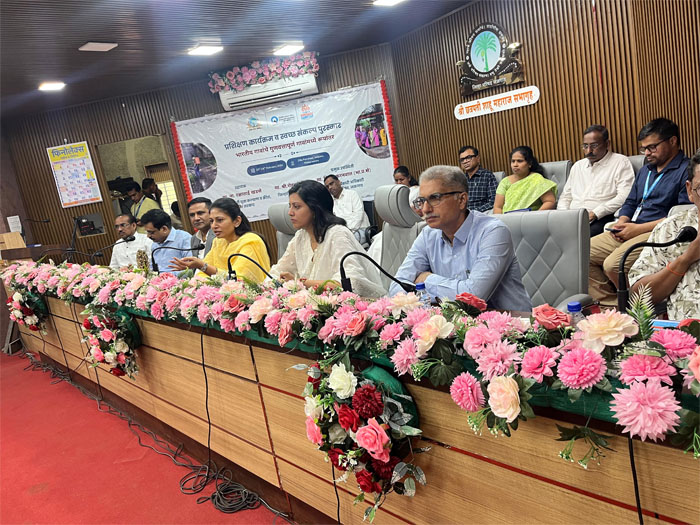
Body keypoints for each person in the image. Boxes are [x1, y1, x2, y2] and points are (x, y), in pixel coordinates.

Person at [390, 165, 532, 311]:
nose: (425, 209)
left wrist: (426, 280)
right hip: (454, 322)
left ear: (461, 200)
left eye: (435, 198)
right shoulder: (428, 235)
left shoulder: (493, 232)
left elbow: (473, 297)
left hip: (512, 321)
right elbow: (396, 287)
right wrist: (440, 292)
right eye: (422, 201)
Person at [589, 118, 691, 307]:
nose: (647, 153)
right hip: (630, 227)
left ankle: (641, 308)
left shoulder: (686, 170)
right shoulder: (646, 170)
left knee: (613, 265)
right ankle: (613, 306)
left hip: (658, 231)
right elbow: (630, 201)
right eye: (644, 149)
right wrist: (623, 221)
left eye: (652, 147)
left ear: (673, 141)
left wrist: (637, 229)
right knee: (583, 253)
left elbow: (681, 216)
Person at [269, 180, 386, 297]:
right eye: (290, 206)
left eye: (296, 207)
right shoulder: (300, 236)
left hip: (355, 305)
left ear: (315, 208)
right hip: (317, 304)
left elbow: (351, 283)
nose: (290, 212)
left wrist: (300, 284)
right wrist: (267, 286)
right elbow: (278, 271)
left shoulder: (338, 234)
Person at [628, 148, 700, 318]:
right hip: (684, 333)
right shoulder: (672, 228)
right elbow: (639, 298)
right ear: (690, 191)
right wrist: (686, 259)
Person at [558, 125, 635, 236]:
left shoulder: (620, 162)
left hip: (601, 217)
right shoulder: (578, 166)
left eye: (594, 146)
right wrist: (564, 214)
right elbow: (566, 196)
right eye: (585, 146)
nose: (589, 151)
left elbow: (625, 196)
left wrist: (596, 213)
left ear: (607, 144)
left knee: (577, 238)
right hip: (571, 217)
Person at [170, 198, 271, 282]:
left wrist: (202, 265)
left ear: (237, 221)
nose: (214, 226)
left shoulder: (250, 241)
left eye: (220, 220)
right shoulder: (219, 242)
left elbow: (238, 280)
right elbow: (202, 274)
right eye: (211, 221)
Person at [367, 166, 420, 262]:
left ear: (408, 178)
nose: (399, 183)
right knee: (379, 242)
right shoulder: (396, 192)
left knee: (381, 245)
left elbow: (416, 210)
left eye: (401, 179)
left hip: (410, 223)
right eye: (396, 180)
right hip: (396, 223)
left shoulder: (417, 190)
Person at [493, 146, 557, 214]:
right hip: (507, 218)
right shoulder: (505, 182)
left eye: (519, 161)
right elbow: (498, 207)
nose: (515, 165)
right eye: (513, 161)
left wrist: (536, 216)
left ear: (529, 163)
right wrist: (501, 220)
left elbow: (550, 201)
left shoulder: (536, 179)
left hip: (530, 218)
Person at [140, 209, 193, 275]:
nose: (148, 236)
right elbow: (152, 268)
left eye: (151, 232)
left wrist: (166, 277)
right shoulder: (155, 244)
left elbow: (191, 269)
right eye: (147, 232)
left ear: (164, 229)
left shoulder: (184, 238)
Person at [458, 145, 498, 213]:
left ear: (478, 158)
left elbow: (494, 201)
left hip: (481, 213)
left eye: (468, 157)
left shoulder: (487, 176)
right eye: (462, 159)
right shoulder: (461, 179)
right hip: (463, 214)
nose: (465, 161)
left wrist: (473, 212)